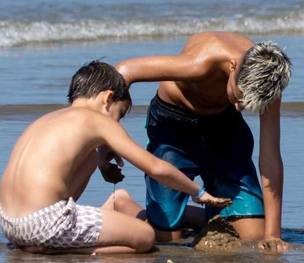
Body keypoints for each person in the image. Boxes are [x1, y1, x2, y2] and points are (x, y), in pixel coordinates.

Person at [0, 60, 230, 255]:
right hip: (44, 225)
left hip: (8, 221)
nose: (115, 124)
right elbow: (155, 168)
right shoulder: (97, 121)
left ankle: (54, 238)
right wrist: (197, 192)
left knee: (91, 164)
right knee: (145, 237)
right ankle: (56, 248)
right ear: (108, 98)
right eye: (119, 116)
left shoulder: (48, 119)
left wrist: (99, 159)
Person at [115, 34, 292, 248]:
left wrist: (273, 235)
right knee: (166, 239)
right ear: (233, 66)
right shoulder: (202, 62)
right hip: (173, 127)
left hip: (225, 130)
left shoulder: (268, 82)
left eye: (248, 103)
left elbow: (270, 157)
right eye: (239, 96)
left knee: (253, 236)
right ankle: (125, 203)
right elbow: (123, 71)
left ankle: (186, 215)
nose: (240, 108)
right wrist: (108, 138)